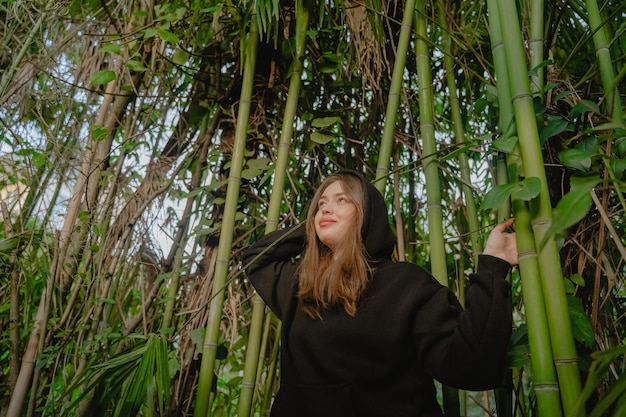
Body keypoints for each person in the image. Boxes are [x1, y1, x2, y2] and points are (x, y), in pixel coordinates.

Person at [242, 170, 518, 417]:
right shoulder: (302, 285)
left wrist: (493, 266)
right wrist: (314, 227)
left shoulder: (406, 283)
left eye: (342, 200)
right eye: (321, 204)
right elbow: (256, 258)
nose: (325, 209)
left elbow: (470, 364)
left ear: (368, 214)